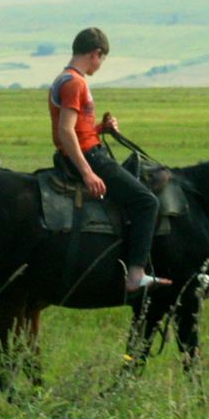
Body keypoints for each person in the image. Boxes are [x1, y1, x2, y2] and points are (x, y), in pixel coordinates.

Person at [48, 27, 168, 293]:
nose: (101, 64)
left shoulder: (65, 78)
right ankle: (136, 273)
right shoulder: (75, 83)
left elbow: (76, 129)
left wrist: (101, 129)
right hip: (89, 157)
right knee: (147, 202)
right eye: (102, 59)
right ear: (96, 53)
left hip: (88, 149)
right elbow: (66, 131)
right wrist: (88, 172)